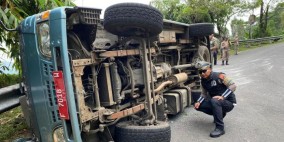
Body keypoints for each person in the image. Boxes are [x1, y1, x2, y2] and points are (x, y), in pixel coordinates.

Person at [194, 61, 237, 138]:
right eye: (200, 72)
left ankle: (220, 128)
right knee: (199, 105)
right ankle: (220, 114)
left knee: (214, 100)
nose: (202, 73)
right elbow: (204, 94)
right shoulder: (203, 81)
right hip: (217, 102)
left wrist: (223, 96)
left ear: (210, 69)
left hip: (229, 102)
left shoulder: (219, 76)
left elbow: (233, 85)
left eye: (204, 71)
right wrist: (198, 102)